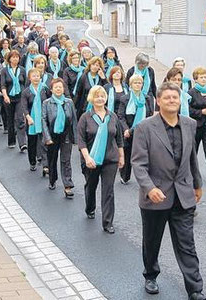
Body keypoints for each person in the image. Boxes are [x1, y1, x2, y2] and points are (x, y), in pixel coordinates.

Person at [131, 82, 206, 300]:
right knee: (152, 241)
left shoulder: (189, 124)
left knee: (187, 244)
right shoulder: (145, 127)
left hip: (183, 195)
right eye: (167, 98)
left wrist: (197, 183)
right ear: (158, 101)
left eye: (175, 97)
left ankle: (195, 289)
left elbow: (192, 156)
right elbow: (138, 163)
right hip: (156, 196)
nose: (172, 101)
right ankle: (151, 275)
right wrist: (149, 188)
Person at [77, 86, 124, 234]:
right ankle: (90, 207)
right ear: (92, 98)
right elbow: (81, 140)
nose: (100, 99)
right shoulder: (85, 117)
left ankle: (108, 222)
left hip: (110, 158)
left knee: (108, 190)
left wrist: (121, 157)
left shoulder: (113, 116)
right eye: (97, 96)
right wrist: (87, 157)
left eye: (102, 96)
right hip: (91, 159)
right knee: (91, 186)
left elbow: (119, 139)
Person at [42, 78, 77, 197]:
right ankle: (52, 179)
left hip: (66, 134)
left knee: (66, 160)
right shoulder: (47, 103)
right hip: (52, 135)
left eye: (60, 87)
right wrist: (47, 137)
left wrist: (75, 138)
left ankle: (67, 185)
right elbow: (44, 121)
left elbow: (74, 121)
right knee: (52, 160)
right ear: (51, 89)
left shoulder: (69, 102)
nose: (58, 89)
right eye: (56, 87)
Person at [117, 74, 153, 185]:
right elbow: (121, 116)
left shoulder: (147, 98)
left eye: (140, 83)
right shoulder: (125, 99)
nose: (138, 85)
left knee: (144, 155)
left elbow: (150, 114)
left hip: (143, 131)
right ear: (131, 85)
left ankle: (145, 178)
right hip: (129, 131)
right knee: (128, 154)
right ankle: (125, 176)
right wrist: (126, 129)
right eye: (135, 83)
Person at [21, 68, 49, 174]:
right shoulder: (26, 92)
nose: (36, 78)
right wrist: (28, 117)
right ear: (30, 78)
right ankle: (32, 162)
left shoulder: (45, 89)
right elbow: (24, 107)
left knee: (45, 142)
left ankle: (45, 165)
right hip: (31, 120)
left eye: (38, 76)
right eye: (34, 76)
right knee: (32, 142)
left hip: (43, 119)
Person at [0, 50, 27, 151]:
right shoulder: (4, 71)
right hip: (9, 98)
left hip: (20, 97)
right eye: (13, 57)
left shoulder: (23, 70)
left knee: (20, 119)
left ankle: (23, 143)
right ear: (9, 59)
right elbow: (3, 84)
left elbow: (25, 83)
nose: (15, 59)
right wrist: (5, 95)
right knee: (10, 119)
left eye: (17, 57)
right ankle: (11, 141)